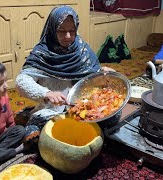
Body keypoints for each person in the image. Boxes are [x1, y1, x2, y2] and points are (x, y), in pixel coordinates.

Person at [16, 5, 114, 141]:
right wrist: (46, 93)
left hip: (82, 106)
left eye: (72, 31)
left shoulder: (82, 49)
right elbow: (22, 80)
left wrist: (102, 73)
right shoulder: (42, 52)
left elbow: (91, 76)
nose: (68, 36)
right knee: (38, 131)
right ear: (52, 30)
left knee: (112, 117)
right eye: (61, 31)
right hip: (52, 110)